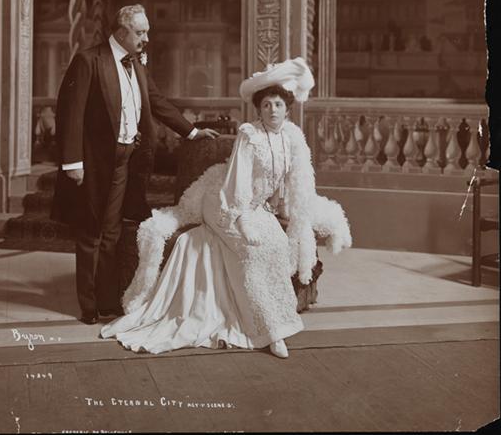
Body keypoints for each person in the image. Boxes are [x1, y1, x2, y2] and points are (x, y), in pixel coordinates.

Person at [101, 58, 352, 358]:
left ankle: (278, 323)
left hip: (257, 208)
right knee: (251, 250)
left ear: (287, 109)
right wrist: (242, 219)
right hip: (223, 203)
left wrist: (275, 206)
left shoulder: (291, 138)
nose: (272, 110)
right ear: (258, 109)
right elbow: (237, 183)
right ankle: (270, 332)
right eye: (267, 105)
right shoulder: (249, 135)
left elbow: (288, 181)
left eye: (278, 105)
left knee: (276, 245)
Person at [51, 4, 219, 326]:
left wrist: (192, 131)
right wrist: (72, 163)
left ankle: (107, 301)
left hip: (126, 161)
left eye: (147, 32)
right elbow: (70, 114)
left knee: (112, 231)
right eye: (140, 32)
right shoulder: (89, 60)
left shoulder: (137, 62)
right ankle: (88, 306)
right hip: (93, 162)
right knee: (90, 232)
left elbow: (156, 102)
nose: (146, 38)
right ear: (121, 31)